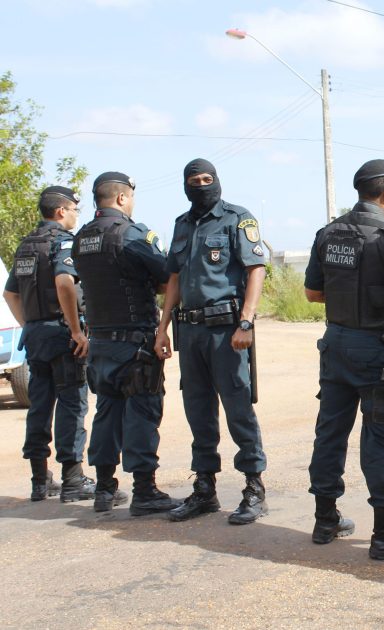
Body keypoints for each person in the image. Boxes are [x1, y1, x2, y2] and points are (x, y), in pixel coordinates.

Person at [304, 159, 384, 560]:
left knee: (330, 432)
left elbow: (313, 293)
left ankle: (326, 519)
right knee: (380, 437)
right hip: (376, 350)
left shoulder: (328, 233)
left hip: (336, 344)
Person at [155, 158, 268, 525]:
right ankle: (205, 489)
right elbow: (173, 278)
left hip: (227, 331)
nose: (202, 185)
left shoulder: (237, 218)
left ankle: (254, 487)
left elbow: (255, 269)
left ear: (217, 181)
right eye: (194, 180)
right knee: (198, 410)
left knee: (238, 409)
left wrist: (246, 322)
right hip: (189, 332)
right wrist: (162, 328)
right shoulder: (181, 224)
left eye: (208, 179)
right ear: (186, 185)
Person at [72, 172, 179, 515]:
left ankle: (104, 489)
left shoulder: (81, 238)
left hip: (100, 343)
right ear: (121, 198)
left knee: (106, 413)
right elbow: (166, 279)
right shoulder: (132, 233)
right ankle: (145, 492)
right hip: (134, 344)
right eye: (131, 197)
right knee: (142, 414)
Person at [3, 186, 92, 502]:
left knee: (40, 405)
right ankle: (73, 480)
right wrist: (76, 330)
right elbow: (64, 282)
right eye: (73, 210)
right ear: (61, 211)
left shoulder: (26, 246)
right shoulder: (63, 242)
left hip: (36, 337)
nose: (74, 216)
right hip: (61, 335)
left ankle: (40, 481)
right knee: (72, 403)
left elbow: (9, 293)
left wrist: (29, 325)